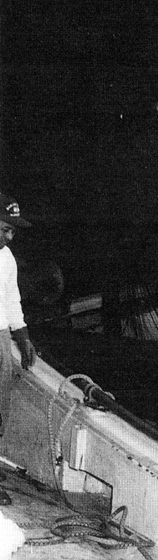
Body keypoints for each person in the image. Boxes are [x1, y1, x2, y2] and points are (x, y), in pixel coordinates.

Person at [0, 193, 37, 506]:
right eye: (5, 229)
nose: (9, 236)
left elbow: (12, 300)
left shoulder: (7, 258)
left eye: (12, 231)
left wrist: (22, 337)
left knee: (1, 406)